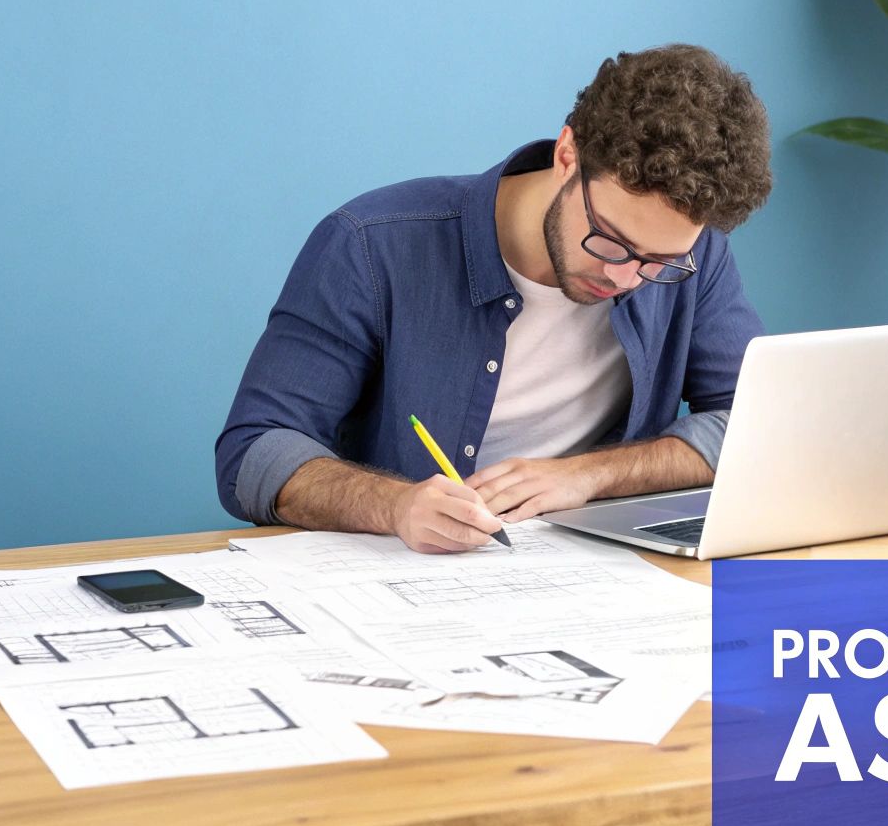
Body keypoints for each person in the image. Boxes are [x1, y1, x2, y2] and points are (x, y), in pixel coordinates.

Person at [215, 44, 773, 553]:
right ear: (567, 155)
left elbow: (754, 422)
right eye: (612, 242)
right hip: (406, 578)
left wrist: (590, 475)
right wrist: (396, 506)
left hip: (592, 577)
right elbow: (254, 452)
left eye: (658, 262)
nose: (628, 278)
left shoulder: (692, 257)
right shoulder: (371, 244)